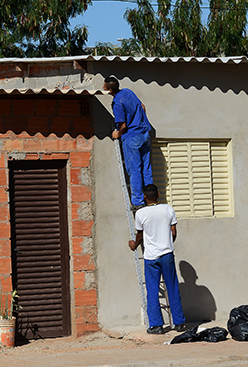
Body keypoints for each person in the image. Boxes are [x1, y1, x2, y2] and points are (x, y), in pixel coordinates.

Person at [129, 184, 186, 335]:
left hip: (151, 257)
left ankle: (157, 326)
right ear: (159, 194)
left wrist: (134, 244)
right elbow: (173, 232)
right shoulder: (168, 209)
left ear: (144, 197)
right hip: (167, 254)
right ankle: (179, 323)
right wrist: (166, 244)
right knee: (172, 287)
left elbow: (140, 235)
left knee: (152, 290)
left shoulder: (141, 213)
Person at [104, 76, 153, 209]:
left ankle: (138, 202)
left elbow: (123, 126)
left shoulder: (117, 103)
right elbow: (142, 107)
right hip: (144, 133)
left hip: (132, 137)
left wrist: (117, 134)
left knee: (135, 170)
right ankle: (151, 198)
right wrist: (141, 122)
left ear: (109, 90)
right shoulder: (128, 92)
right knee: (146, 168)